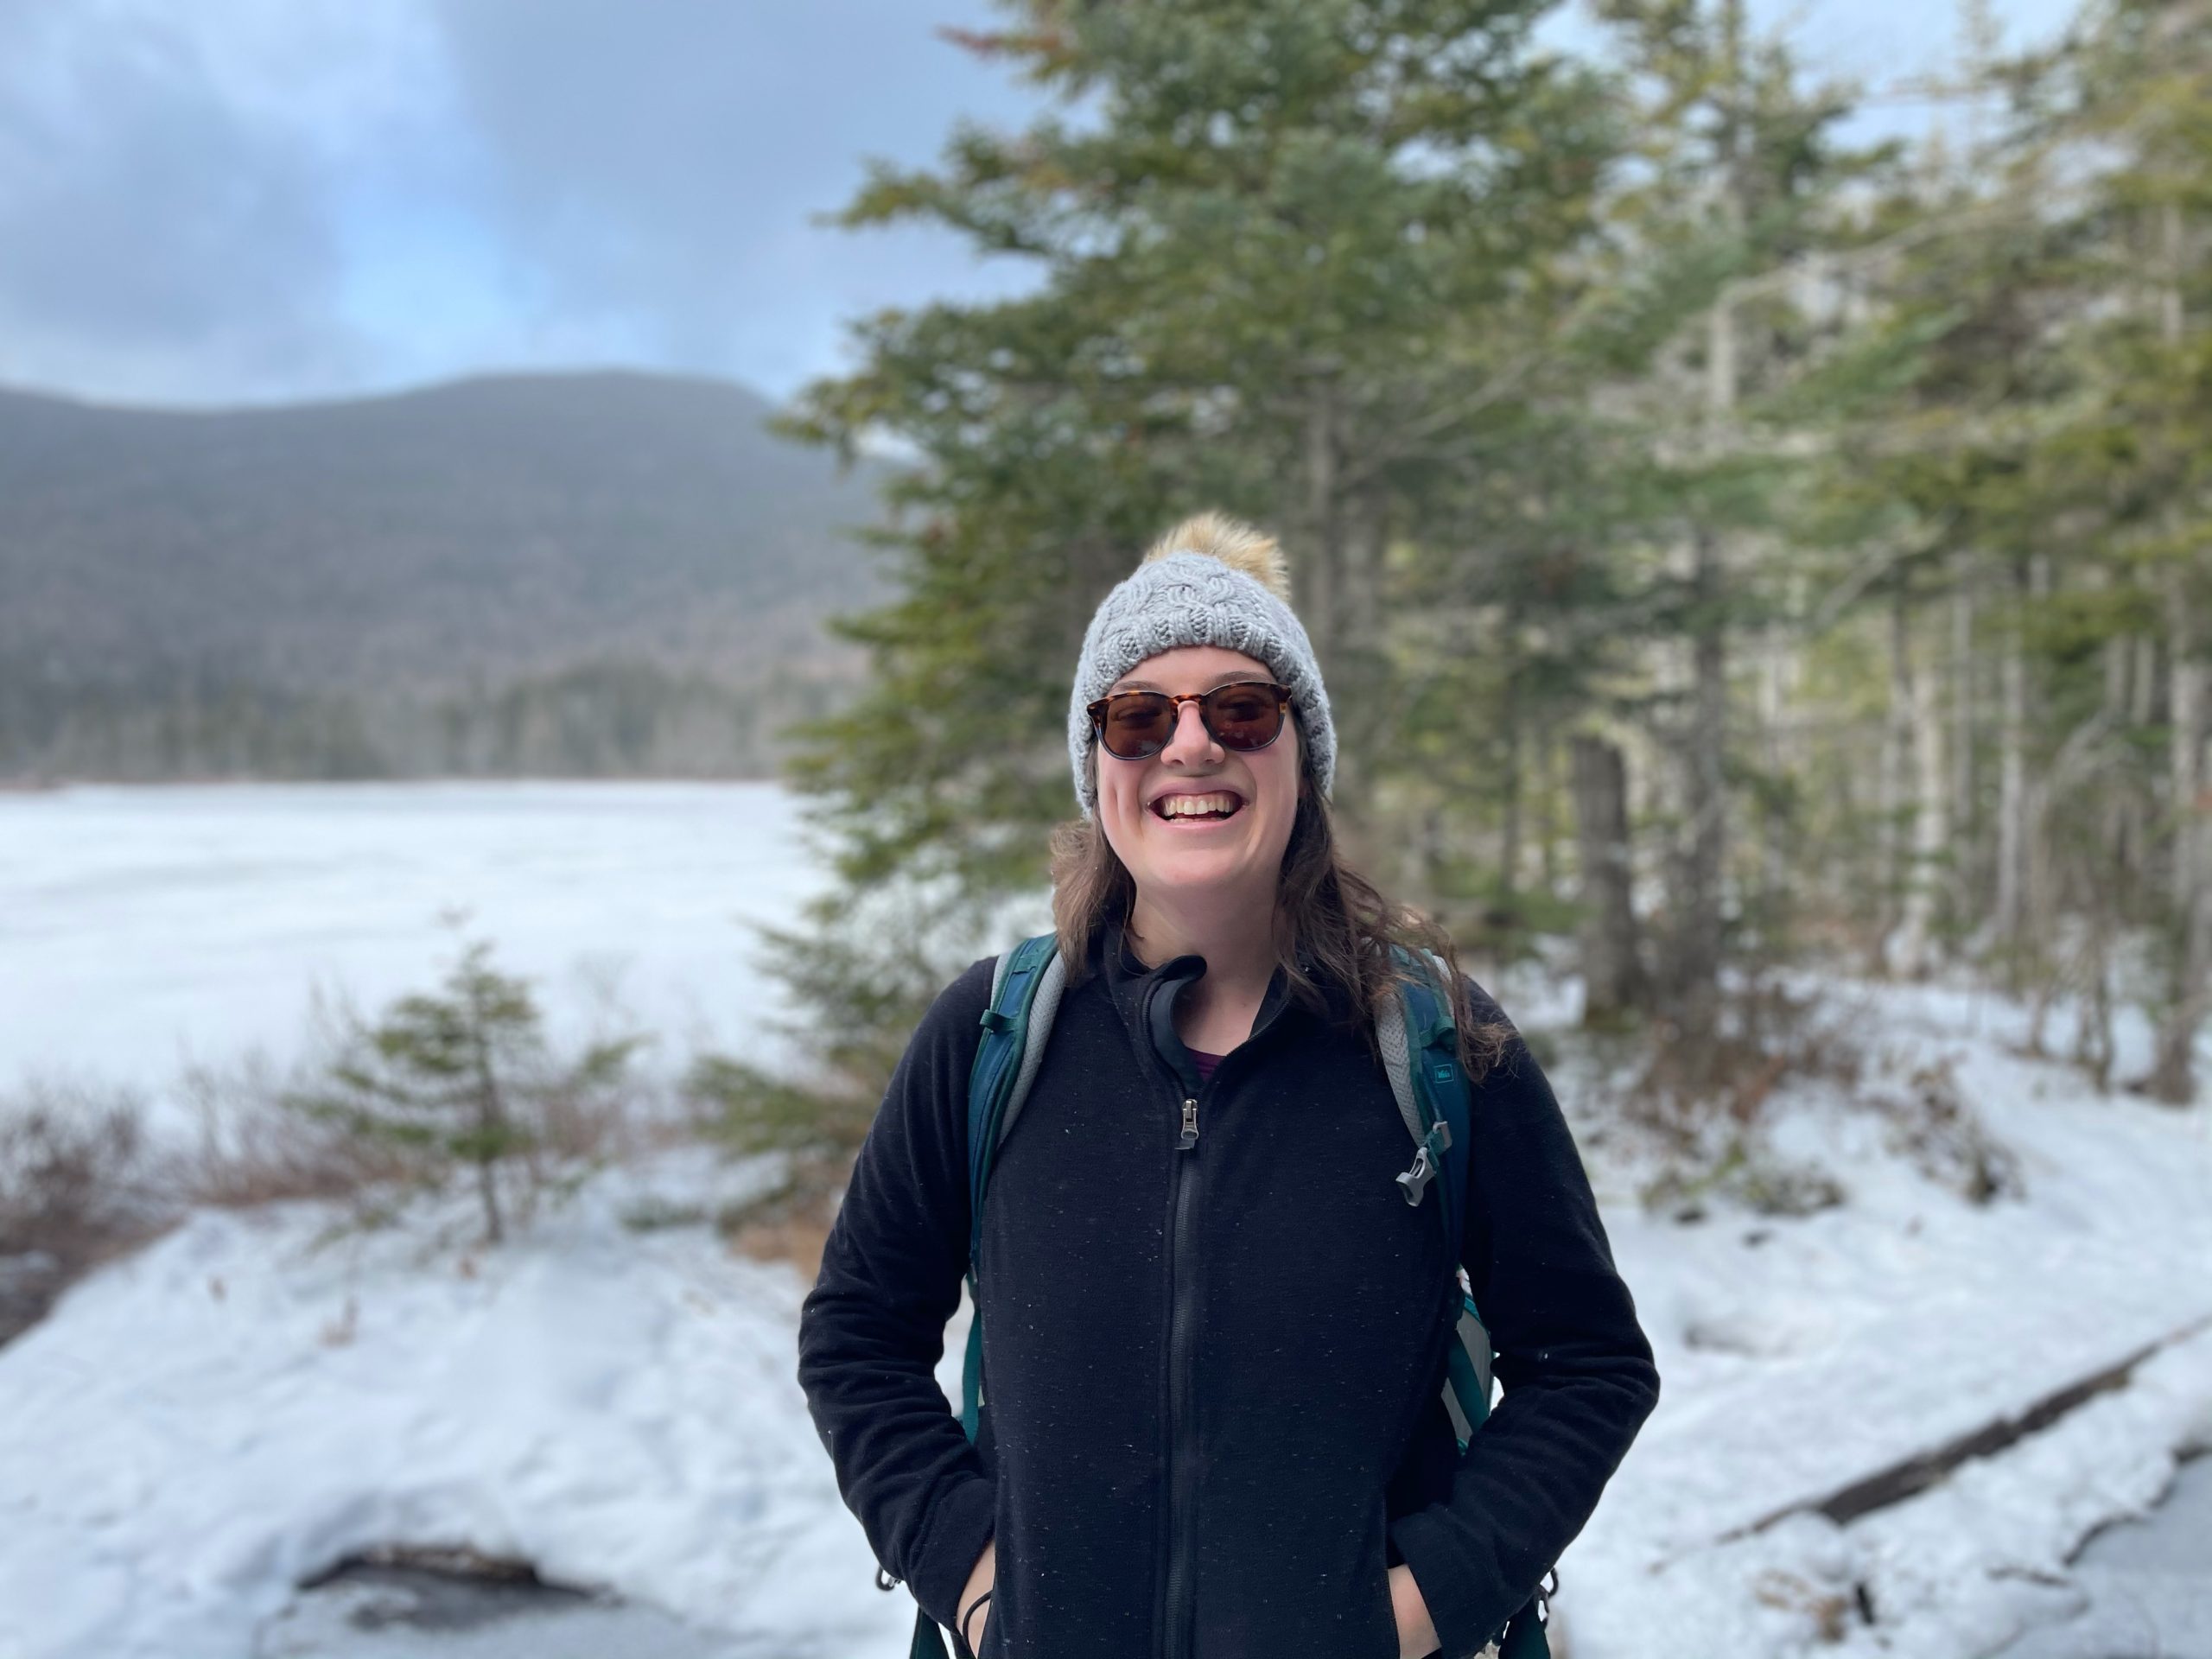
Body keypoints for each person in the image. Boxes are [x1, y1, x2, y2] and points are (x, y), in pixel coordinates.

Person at [797, 513, 1660, 1659]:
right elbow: (858, 1334)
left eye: (1240, 709)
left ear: (1301, 755)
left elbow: (1587, 1365)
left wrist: (1421, 1607)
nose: (1189, 746)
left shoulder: (1432, 1042)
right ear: (1097, 764)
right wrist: (972, 1576)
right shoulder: (994, 1034)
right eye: (1138, 716)